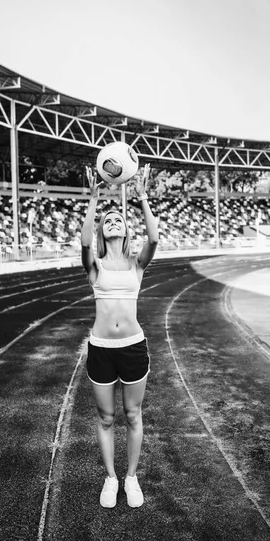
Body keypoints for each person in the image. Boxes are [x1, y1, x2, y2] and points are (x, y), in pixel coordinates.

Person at [81, 163, 159, 508]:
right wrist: (94, 201)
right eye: (108, 220)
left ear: (128, 232)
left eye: (119, 220)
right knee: (106, 417)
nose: (114, 221)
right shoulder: (94, 265)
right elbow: (84, 241)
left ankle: (131, 477)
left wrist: (141, 197)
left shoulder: (136, 265)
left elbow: (154, 238)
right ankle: (111, 478)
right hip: (101, 348)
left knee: (133, 415)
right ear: (102, 230)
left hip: (132, 347)